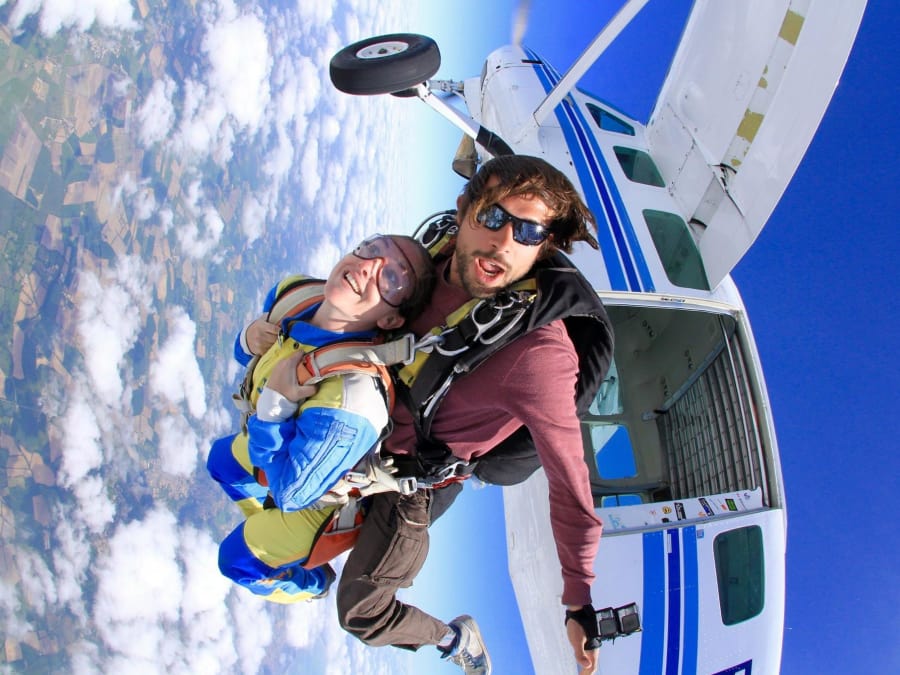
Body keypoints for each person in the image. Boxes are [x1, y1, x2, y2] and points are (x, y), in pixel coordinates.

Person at [335, 155, 614, 675]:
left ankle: (454, 640)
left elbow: (571, 486)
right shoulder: (433, 254)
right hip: (357, 421)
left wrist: (578, 601)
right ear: (463, 211)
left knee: (360, 609)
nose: (505, 242)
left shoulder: (540, 358)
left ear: (544, 245)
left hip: (411, 485)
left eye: (529, 232)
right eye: (494, 217)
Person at [206, 233, 435, 603]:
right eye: (372, 249)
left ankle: (313, 585)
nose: (368, 266)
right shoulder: (295, 294)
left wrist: (274, 408)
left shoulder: (351, 402)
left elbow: (291, 493)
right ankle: (261, 518)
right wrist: (249, 339)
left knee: (235, 560)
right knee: (221, 461)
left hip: (316, 504)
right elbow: (245, 355)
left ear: (391, 318)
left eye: (391, 278)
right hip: (280, 453)